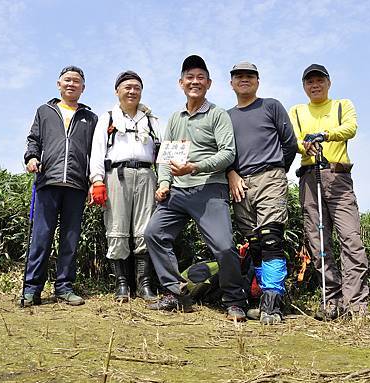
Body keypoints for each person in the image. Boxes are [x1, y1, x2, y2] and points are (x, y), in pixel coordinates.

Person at [144, 55, 248, 321]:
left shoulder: (217, 114)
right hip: (177, 192)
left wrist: (195, 167)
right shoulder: (175, 118)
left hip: (209, 189)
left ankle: (235, 300)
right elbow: (165, 157)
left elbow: (228, 153)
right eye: (189, 77)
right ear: (181, 83)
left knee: (224, 247)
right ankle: (175, 293)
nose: (195, 82)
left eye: (200, 77)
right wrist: (164, 183)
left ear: (209, 83)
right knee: (154, 233)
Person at [288, 64, 369, 320]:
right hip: (310, 178)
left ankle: (355, 303)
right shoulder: (297, 111)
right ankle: (331, 300)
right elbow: (292, 140)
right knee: (318, 241)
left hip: (338, 176)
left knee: (351, 238)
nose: (315, 85)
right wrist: (305, 146)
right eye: (309, 82)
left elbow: (351, 128)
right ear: (304, 86)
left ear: (328, 83)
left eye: (319, 80)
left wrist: (324, 135)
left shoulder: (342, 105)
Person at [226, 61, 298, 325]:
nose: (244, 80)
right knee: (254, 243)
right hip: (240, 184)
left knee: (271, 239)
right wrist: (231, 173)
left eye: (250, 76)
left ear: (258, 81)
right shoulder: (227, 116)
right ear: (231, 83)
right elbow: (224, 151)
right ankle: (261, 300)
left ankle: (273, 305)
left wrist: (277, 170)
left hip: (270, 176)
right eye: (239, 76)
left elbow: (289, 143)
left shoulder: (271, 106)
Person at [22, 65, 98, 306]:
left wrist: (94, 181)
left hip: (77, 184)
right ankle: (31, 289)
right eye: (67, 80)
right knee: (41, 237)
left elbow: (96, 152)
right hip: (48, 181)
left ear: (83, 88)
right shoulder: (45, 111)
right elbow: (34, 139)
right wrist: (31, 157)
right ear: (58, 84)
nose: (71, 84)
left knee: (70, 240)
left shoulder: (90, 118)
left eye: (76, 81)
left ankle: (64, 287)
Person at [89, 71, 161, 302]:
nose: (132, 91)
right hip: (115, 175)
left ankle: (144, 285)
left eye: (137, 87)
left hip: (146, 175)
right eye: (127, 87)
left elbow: (165, 151)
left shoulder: (151, 120)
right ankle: (122, 285)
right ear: (117, 90)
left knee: (145, 230)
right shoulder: (107, 117)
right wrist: (97, 180)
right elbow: (97, 150)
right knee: (117, 229)